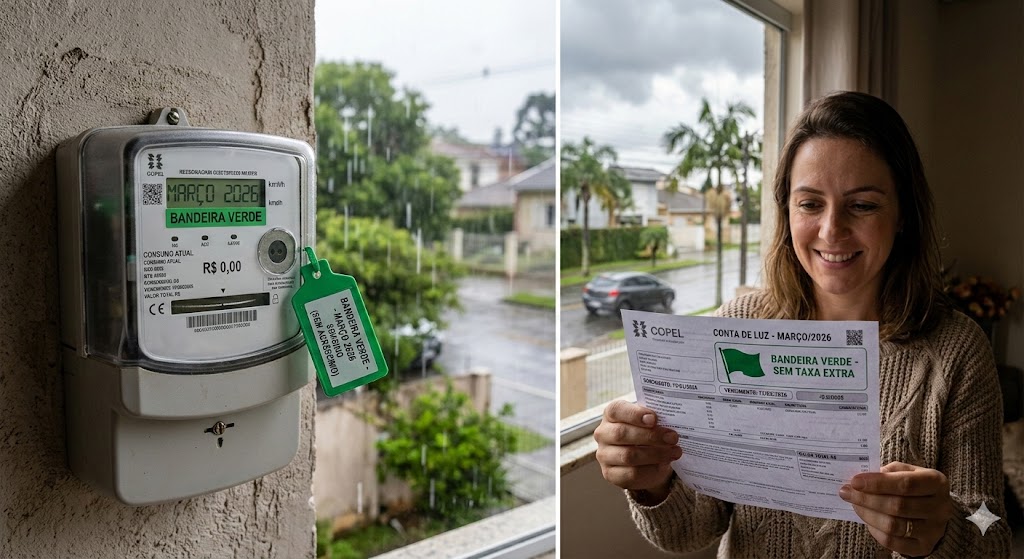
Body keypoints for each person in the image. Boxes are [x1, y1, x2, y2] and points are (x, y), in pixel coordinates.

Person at [594, 91, 1011, 558]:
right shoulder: (735, 332)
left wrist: (943, 528)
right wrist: (655, 485)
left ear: (902, 216)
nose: (832, 230)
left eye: (864, 205)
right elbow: (687, 531)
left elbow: (989, 524)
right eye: (810, 204)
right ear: (786, 210)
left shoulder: (956, 351)